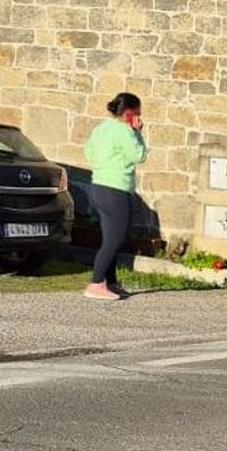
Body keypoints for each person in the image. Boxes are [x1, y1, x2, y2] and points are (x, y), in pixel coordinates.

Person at [82, 93, 148, 301]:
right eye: (137, 113)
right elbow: (139, 156)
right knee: (114, 240)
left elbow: (88, 152)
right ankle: (95, 283)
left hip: (98, 186)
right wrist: (137, 133)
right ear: (129, 113)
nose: (139, 117)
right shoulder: (124, 131)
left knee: (110, 238)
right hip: (116, 189)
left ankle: (108, 282)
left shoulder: (101, 128)